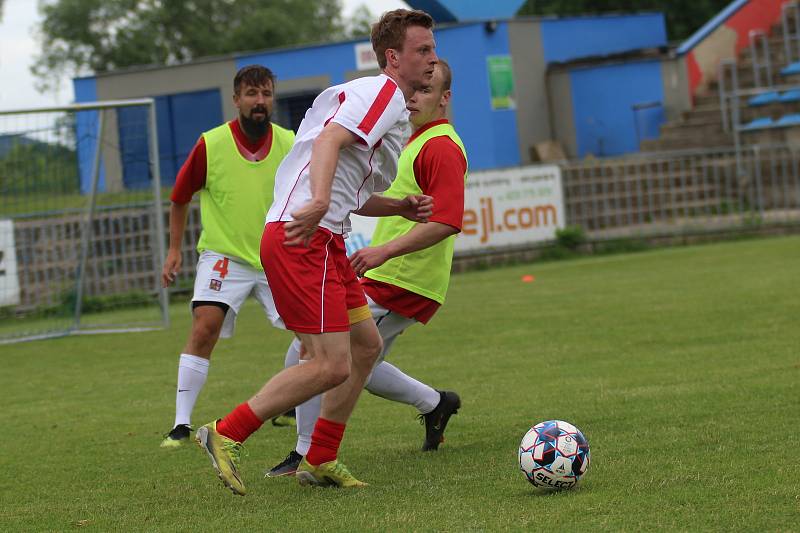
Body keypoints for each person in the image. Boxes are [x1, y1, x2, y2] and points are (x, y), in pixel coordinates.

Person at [194, 9, 439, 495]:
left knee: (365, 347)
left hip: (322, 237)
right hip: (304, 238)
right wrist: (321, 201)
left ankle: (321, 455)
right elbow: (329, 141)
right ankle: (226, 432)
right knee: (329, 363)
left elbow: (346, 179)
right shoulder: (386, 92)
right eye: (423, 50)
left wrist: (398, 205)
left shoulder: (377, 100)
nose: (433, 60)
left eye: (433, 49)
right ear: (394, 58)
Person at [266, 59, 467, 478]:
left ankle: (303, 454)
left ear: (445, 99)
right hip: (386, 272)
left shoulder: (441, 146)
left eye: (426, 93)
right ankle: (434, 403)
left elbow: (446, 220)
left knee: (312, 354)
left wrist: (383, 252)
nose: (414, 99)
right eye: (413, 91)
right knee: (360, 361)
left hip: (401, 277)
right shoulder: (408, 138)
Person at [159, 65, 295, 448]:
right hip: (224, 256)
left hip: (276, 256)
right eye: (251, 94)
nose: (260, 101)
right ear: (236, 99)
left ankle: (293, 404)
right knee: (204, 326)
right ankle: (181, 424)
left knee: (314, 332)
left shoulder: (290, 142)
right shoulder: (212, 143)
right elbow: (180, 196)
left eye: (266, 93)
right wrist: (173, 250)